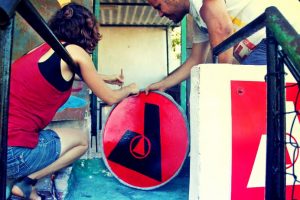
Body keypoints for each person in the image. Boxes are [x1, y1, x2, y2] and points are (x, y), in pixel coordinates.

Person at [7, 3, 139, 199]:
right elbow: (109, 97)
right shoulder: (76, 51)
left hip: (5, 145)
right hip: (14, 155)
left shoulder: (41, 50)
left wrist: (108, 78)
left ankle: (29, 189)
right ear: (86, 29)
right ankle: (27, 182)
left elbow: (67, 74)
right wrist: (130, 89)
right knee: (81, 141)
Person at [145, 0, 276, 93]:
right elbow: (196, 59)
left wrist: (221, 89)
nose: (160, 14)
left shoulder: (203, 3)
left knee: (251, 103)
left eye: (158, 6)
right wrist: (164, 84)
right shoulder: (198, 19)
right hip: (260, 49)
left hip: (271, 40)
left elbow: (222, 31)